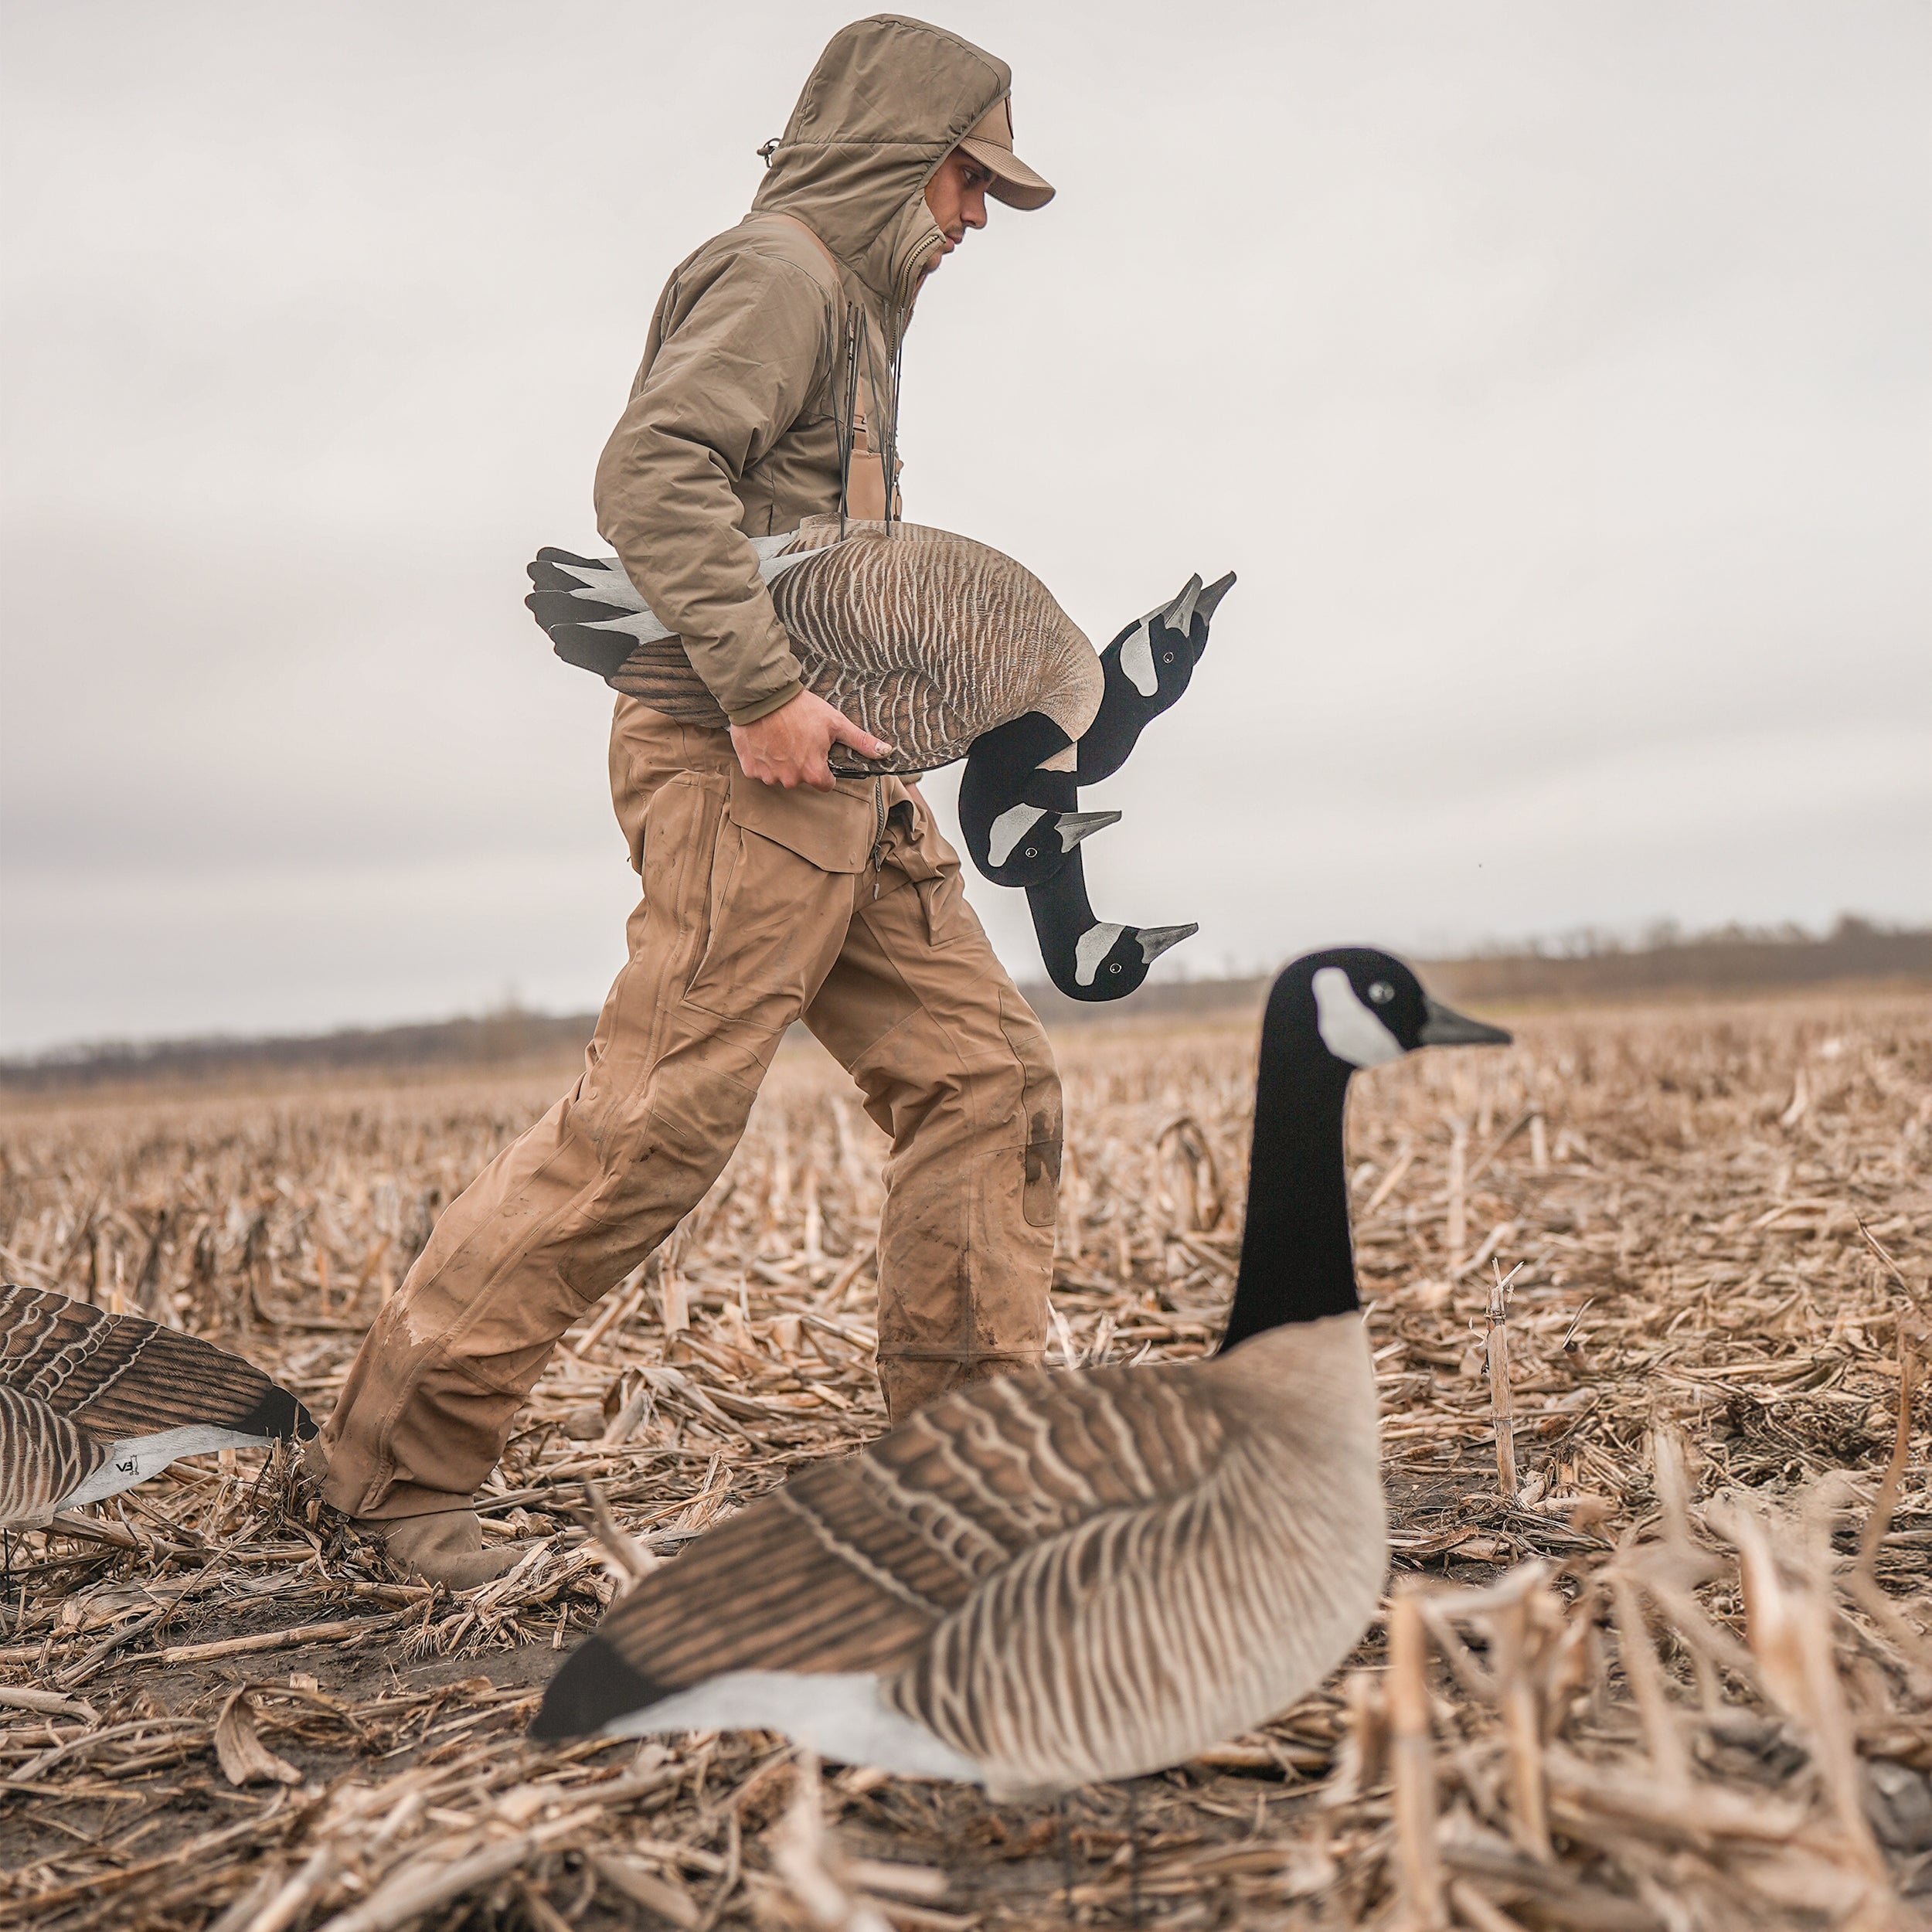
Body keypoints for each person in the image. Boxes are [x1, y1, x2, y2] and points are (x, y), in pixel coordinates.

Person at [304, 15, 1064, 1587]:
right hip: (740, 759)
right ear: (888, 157)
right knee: (653, 1122)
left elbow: (812, 559)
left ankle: (960, 1471)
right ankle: (385, 1475)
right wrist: (766, 694)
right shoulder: (781, 275)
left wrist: (867, 742)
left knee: (985, 1076)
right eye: (962, 180)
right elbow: (652, 473)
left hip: (831, 766)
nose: (975, 217)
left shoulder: (854, 306)